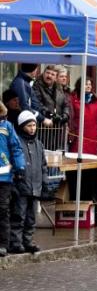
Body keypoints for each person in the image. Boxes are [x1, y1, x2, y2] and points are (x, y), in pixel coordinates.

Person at [10, 110, 49, 254]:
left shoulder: (39, 144)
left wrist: (45, 186)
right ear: (22, 127)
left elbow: (43, 166)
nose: (32, 128)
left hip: (35, 186)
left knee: (31, 217)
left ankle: (28, 240)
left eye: (34, 125)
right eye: (29, 126)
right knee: (18, 215)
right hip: (21, 186)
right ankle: (15, 242)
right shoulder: (17, 143)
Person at [0, 101, 26, 257]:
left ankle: (3, 243)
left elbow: (16, 148)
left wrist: (20, 167)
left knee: (2, 210)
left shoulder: (7, 127)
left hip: (4, 177)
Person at [68, 77, 97, 156]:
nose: (88, 86)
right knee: (76, 160)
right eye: (86, 84)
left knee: (89, 162)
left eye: (90, 84)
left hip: (92, 137)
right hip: (78, 135)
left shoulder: (96, 101)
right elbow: (71, 117)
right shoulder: (73, 99)